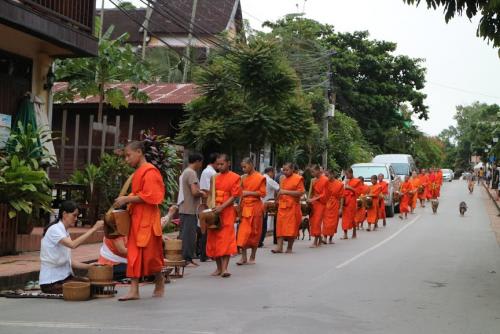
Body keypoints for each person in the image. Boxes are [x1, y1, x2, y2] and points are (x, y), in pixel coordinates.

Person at [114, 141, 166, 301]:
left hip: (148, 219)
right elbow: (139, 193)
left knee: (152, 256)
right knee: (133, 254)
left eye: (128, 155)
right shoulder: (138, 172)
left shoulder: (150, 171)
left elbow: (152, 196)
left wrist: (126, 199)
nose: (126, 160)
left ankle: (159, 280)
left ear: (139, 152)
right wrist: (126, 199)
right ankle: (134, 290)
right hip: (136, 218)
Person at [39, 200, 104, 294]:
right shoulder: (54, 230)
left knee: (97, 286)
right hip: (51, 282)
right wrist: (94, 229)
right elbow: (73, 245)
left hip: (65, 278)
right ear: (64, 214)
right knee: (93, 289)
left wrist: (89, 266)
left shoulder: (64, 231)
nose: (76, 218)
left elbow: (68, 260)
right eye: (74, 215)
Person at [206, 154, 241, 278]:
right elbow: (211, 195)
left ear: (228, 163)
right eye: (218, 164)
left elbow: (234, 196)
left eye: (222, 164)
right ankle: (218, 268)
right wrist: (210, 209)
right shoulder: (214, 177)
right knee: (214, 239)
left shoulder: (235, 177)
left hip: (226, 212)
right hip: (215, 211)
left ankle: (225, 268)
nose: (219, 166)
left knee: (225, 240)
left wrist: (222, 207)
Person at [178, 153, 206, 267]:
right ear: (198, 161)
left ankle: (187, 258)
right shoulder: (191, 173)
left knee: (186, 234)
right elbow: (194, 192)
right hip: (189, 209)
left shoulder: (185, 171)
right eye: (201, 162)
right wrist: (202, 193)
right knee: (188, 235)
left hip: (185, 208)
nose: (201, 165)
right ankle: (187, 259)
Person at [237, 158, 266, 265]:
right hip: (245, 207)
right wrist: (239, 207)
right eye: (242, 167)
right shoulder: (243, 178)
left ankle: (253, 256)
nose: (243, 169)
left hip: (256, 207)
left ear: (251, 164)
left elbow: (262, 193)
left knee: (255, 232)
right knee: (243, 233)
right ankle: (243, 257)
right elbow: (241, 194)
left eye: (245, 167)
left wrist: (248, 192)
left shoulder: (260, 177)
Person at [272, 162, 305, 254]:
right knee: (279, 227)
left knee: (291, 228)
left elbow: (301, 192)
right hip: (282, 206)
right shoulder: (282, 178)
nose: (285, 172)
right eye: (284, 170)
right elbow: (280, 191)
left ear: (292, 169)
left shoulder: (298, 178)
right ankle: (279, 247)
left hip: (293, 207)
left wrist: (285, 192)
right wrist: (276, 200)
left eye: (287, 170)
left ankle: (289, 247)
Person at [198, 153, 219, 262]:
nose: (219, 166)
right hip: (209, 203)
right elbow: (207, 190)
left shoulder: (208, 172)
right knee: (207, 229)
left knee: (205, 228)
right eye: (218, 163)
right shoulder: (210, 172)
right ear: (215, 162)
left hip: (208, 202)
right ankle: (205, 253)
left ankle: (205, 253)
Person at [307, 165, 328, 248]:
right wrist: (309, 199)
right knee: (313, 222)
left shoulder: (325, 180)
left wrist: (314, 199)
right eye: (311, 172)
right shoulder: (313, 180)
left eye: (313, 171)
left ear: (318, 171)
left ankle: (315, 241)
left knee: (317, 221)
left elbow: (325, 194)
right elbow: (311, 191)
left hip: (321, 203)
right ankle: (319, 238)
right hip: (314, 203)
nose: (312, 174)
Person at [322, 170, 344, 243]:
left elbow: (342, 197)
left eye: (328, 175)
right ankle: (325, 238)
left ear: (333, 174)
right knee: (326, 222)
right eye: (327, 175)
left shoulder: (339, 184)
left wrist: (341, 208)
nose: (327, 177)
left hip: (335, 205)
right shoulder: (325, 183)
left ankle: (330, 238)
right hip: (327, 204)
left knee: (334, 222)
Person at [261, 167, 279, 247]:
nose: (274, 174)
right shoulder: (269, 180)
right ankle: (260, 241)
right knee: (264, 223)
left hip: (259, 203)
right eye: (273, 173)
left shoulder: (260, 178)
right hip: (267, 203)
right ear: (270, 172)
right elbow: (279, 188)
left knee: (260, 223)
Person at [341, 168, 362, 240]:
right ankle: (345, 234)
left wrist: (350, 188)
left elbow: (358, 192)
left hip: (352, 201)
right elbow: (343, 191)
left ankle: (354, 232)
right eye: (345, 174)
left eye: (347, 174)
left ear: (351, 173)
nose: (346, 176)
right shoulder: (346, 181)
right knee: (344, 219)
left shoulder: (357, 181)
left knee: (352, 217)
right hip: (345, 201)